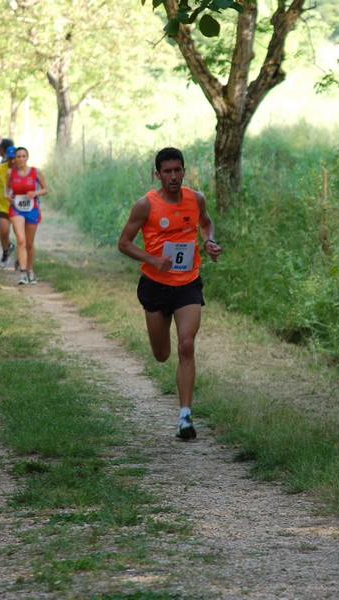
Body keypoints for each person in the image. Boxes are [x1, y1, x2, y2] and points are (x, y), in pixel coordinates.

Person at [118, 147, 222, 440]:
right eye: (167, 171)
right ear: (158, 174)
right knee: (162, 354)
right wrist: (152, 259)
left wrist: (210, 241)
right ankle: (183, 413)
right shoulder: (145, 205)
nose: (173, 176)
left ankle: (185, 417)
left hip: (188, 283)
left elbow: (206, 223)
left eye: (178, 170)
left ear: (184, 171)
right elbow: (124, 243)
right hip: (155, 285)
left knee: (186, 344)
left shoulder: (195, 199)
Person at [6, 146, 48, 285]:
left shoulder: (36, 172)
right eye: (18, 156)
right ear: (15, 159)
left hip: (32, 209)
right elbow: (7, 190)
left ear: (27, 157)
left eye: (24, 156)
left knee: (29, 243)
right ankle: (23, 273)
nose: (21, 159)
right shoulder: (10, 173)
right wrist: (9, 197)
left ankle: (30, 270)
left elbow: (45, 189)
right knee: (21, 240)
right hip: (16, 208)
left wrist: (35, 193)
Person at [0, 143, 16, 267]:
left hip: (18, 207)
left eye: (14, 158)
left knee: (20, 234)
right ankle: (7, 250)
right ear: (6, 157)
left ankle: (21, 260)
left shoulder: (22, 168)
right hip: (4, 206)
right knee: (3, 232)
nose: (12, 161)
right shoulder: (0, 168)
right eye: (10, 158)